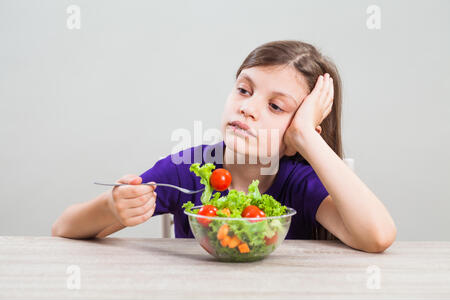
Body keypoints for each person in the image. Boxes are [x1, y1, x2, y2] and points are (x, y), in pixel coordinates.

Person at [52, 40, 397, 253]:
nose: (247, 107)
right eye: (244, 90)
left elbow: (377, 237)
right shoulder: (187, 169)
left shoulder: (297, 181)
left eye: (276, 107)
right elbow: (64, 228)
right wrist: (113, 208)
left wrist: (307, 137)